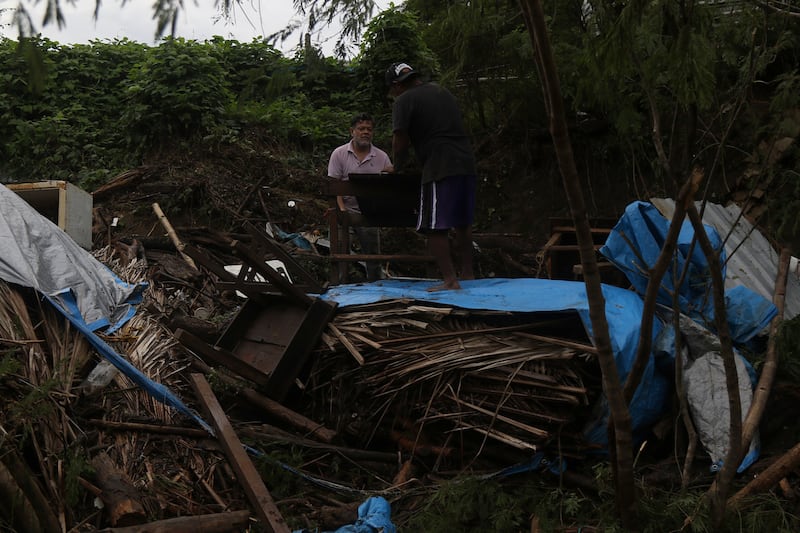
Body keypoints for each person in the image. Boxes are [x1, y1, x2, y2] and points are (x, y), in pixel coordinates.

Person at [385, 62, 477, 291]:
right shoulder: (441, 90)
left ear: (396, 86)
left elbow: (400, 140)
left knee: (435, 226)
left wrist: (397, 166)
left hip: (439, 165)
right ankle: (468, 274)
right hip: (465, 162)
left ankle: (449, 280)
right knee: (462, 223)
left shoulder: (404, 101)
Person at [327, 113, 393, 282]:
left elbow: (388, 185)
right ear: (352, 131)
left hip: (370, 212)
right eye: (361, 129)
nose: (365, 132)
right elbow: (334, 185)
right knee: (341, 251)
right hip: (345, 208)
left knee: (373, 255)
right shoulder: (339, 154)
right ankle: (340, 286)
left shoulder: (381, 157)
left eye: (369, 129)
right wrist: (342, 212)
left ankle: (376, 287)